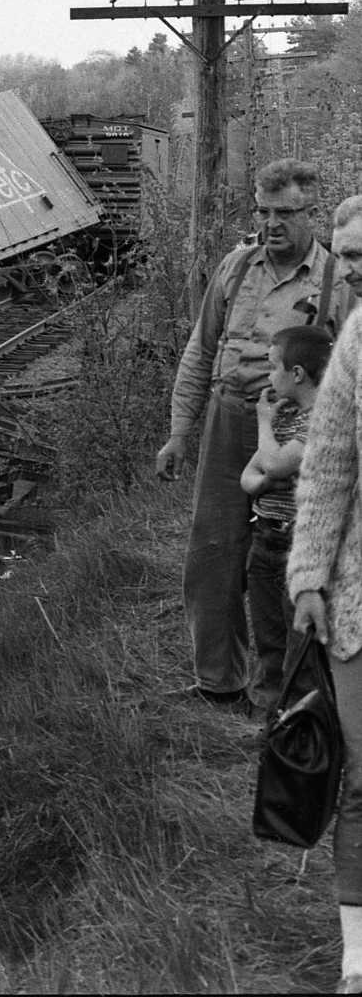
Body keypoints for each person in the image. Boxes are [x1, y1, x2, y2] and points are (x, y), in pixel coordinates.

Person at [154, 158, 351, 708]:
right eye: (264, 211)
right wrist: (179, 432)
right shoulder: (236, 268)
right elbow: (200, 350)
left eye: (285, 212)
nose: (272, 223)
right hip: (229, 421)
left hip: (300, 437)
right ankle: (218, 682)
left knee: (290, 559)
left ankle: (292, 695)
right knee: (213, 555)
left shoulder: (337, 280)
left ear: (310, 211)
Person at [286, 305, 362, 993]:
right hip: (358, 603)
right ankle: (356, 960)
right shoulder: (360, 337)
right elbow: (329, 464)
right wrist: (309, 576)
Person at [239, 325, 334, 709]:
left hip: (300, 543)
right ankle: (270, 712)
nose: (268, 377)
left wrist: (264, 425)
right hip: (265, 535)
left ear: (296, 374)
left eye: (273, 367)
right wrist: (266, 481)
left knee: (299, 640)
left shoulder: (319, 419)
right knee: (267, 631)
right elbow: (248, 478)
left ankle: (299, 718)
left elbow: (274, 463)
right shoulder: (285, 416)